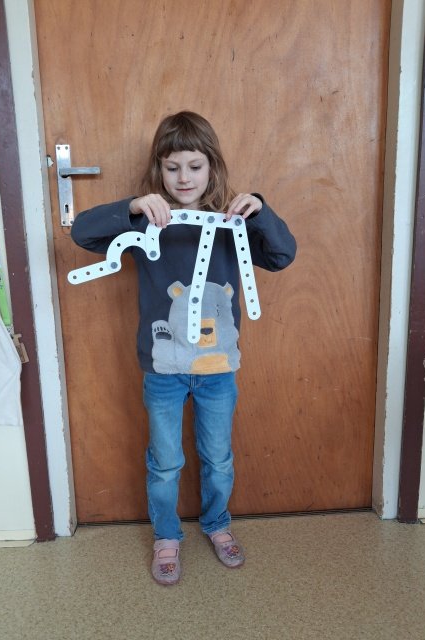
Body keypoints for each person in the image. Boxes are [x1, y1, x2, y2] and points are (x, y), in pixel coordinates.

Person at [71, 111, 296, 586]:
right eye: (172, 167)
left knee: (218, 458)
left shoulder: (231, 224)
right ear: (159, 169)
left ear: (212, 166)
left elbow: (281, 255)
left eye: (194, 166)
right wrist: (134, 206)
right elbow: (83, 232)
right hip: (164, 370)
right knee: (166, 461)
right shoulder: (149, 223)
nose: (184, 178)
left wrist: (260, 209)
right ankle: (167, 536)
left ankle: (217, 524)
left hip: (217, 369)